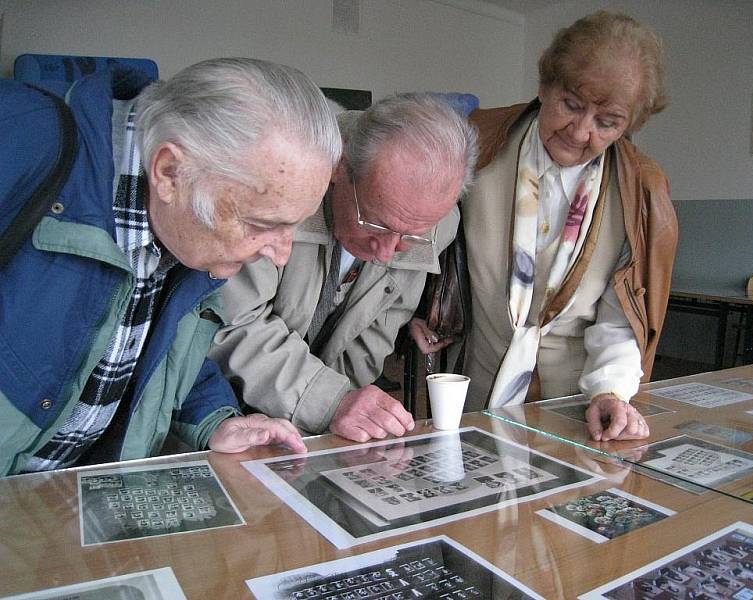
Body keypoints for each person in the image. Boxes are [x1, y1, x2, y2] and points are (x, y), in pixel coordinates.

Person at [0, 58, 342, 475]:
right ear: (170, 171)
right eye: (262, 223)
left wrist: (216, 419)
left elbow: (155, 348)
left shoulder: (190, 231)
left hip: (62, 504)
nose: (281, 254)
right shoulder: (17, 139)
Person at [410, 11, 678, 442]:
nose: (579, 131)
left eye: (607, 122)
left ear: (630, 126)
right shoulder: (479, 140)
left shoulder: (639, 191)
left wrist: (611, 390)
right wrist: (419, 305)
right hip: (474, 383)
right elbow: (425, 231)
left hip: (576, 405)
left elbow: (620, 316)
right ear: (544, 86)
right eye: (570, 105)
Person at [210, 93, 478, 443]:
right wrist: (330, 402)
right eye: (376, 225)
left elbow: (370, 342)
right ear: (340, 165)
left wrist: (342, 417)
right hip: (212, 407)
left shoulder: (434, 223)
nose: (385, 253)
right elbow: (232, 323)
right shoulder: (276, 181)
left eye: (408, 237)